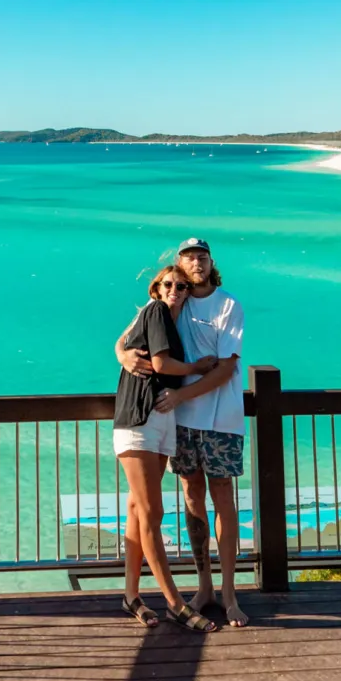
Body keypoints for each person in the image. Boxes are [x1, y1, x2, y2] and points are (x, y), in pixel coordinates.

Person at [116, 236, 248, 628]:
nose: (196, 264)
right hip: (179, 421)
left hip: (220, 419)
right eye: (188, 258)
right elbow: (125, 339)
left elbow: (225, 368)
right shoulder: (169, 303)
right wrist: (123, 355)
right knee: (191, 497)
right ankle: (203, 587)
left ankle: (229, 593)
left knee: (222, 498)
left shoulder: (228, 305)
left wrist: (180, 394)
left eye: (202, 257)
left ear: (211, 263)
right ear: (177, 265)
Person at [112, 264, 217, 632]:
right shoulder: (155, 310)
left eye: (182, 286)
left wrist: (122, 351)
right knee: (152, 513)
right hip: (138, 420)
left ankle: (131, 596)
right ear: (156, 288)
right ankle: (175, 604)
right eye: (168, 284)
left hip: (159, 420)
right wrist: (198, 368)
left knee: (137, 510)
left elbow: (127, 344)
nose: (175, 290)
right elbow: (159, 362)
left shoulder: (173, 321)